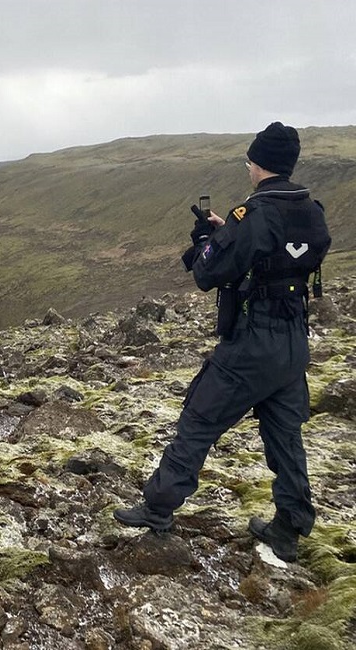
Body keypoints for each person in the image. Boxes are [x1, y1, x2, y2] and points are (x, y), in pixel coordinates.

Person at [114, 123, 332, 563]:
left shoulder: (253, 215)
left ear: (259, 164)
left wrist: (210, 242)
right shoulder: (311, 209)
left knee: (199, 418)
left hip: (253, 343)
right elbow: (282, 256)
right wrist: (229, 235)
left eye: (249, 161)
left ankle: (158, 509)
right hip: (293, 343)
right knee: (286, 436)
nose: (248, 168)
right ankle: (288, 530)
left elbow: (206, 273)